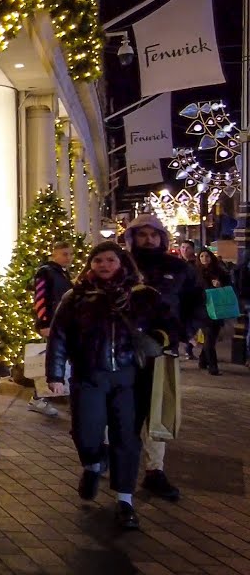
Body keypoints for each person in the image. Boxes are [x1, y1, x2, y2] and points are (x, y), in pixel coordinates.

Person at [47, 241, 179, 530]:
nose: (103, 265)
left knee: (126, 440)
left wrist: (158, 339)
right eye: (97, 261)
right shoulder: (76, 297)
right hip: (88, 377)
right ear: (90, 265)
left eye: (110, 260)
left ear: (121, 263)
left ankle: (125, 501)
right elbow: (58, 337)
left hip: (130, 380)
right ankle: (94, 464)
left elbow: (171, 326)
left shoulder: (142, 296)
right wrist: (55, 375)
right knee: (86, 434)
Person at [124, 214, 203, 502]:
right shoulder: (120, 264)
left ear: (162, 237)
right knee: (125, 409)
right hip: (124, 350)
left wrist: (183, 333)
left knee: (158, 409)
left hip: (163, 350)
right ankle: (122, 466)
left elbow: (196, 302)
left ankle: (154, 470)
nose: (148, 239)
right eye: (142, 234)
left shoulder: (178, 268)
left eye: (153, 234)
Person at [29, 242, 75, 416]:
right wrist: (44, 323)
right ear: (54, 254)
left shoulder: (62, 274)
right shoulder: (46, 272)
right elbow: (40, 298)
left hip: (62, 325)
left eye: (70, 254)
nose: (68, 258)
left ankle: (47, 397)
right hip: (52, 325)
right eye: (64, 254)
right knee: (49, 361)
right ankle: (39, 398)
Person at [196, 247, 228, 376]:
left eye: (207, 256)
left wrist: (220, 285)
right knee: (209, 337)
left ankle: (203, 360)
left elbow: (228, 285)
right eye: (202, 256)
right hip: (204, 309)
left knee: (212, 337)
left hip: (218, 307)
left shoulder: (219, 271)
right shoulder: (196, 273)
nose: (204, 259)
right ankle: (213, 366)